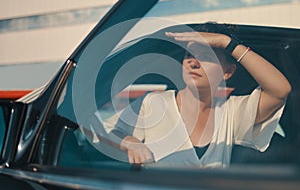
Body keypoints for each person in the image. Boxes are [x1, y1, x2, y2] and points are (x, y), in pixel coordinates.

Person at [101, 23, 291, 168]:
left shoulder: (232, 111)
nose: (193, 63)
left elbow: (280, 90)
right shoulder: (153, 102)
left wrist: (227, 43)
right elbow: (102, 131)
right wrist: (130, 143)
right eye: (189, 55)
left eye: (206, 56)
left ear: (228, 72)